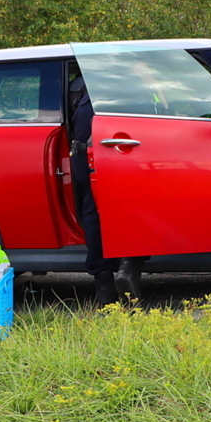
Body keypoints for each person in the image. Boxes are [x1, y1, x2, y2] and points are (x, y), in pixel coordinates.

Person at [68, 73, 146, 305]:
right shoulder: (133, 85)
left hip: (85, 156)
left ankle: (104, 284)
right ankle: (129, 266)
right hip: (122, 153)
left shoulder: (79, 87)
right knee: (137, 208)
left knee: (93, 210)